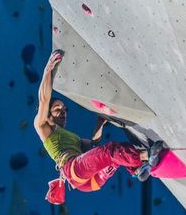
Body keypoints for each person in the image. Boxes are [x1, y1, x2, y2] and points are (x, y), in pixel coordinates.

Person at [34, 51, 163, 203]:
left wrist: (99, 123)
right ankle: (145, 156)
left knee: (118, 154)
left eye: (64, 109)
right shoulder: (43, 126)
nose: (63, 112)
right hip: (74, 171)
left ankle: (139, 169)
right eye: (57, 109)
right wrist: (48, 70)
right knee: (111, 151)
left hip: (89, 182)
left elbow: (93, 146)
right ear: (47, 115)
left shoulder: (72, 138)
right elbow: (44, 99)